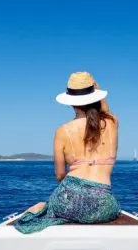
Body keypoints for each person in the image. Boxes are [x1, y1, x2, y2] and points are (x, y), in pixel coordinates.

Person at [14, 71, 121, 234]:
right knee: (110, 208)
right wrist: (96, 89)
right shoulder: (111, 123)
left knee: (45, 209)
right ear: (95, 96)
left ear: (70, 102)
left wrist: (74, 197)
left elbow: (59, 175)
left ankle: (44, 207)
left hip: (67, 200)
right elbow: (105, 109)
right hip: (103, 204)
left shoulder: (62, 131)